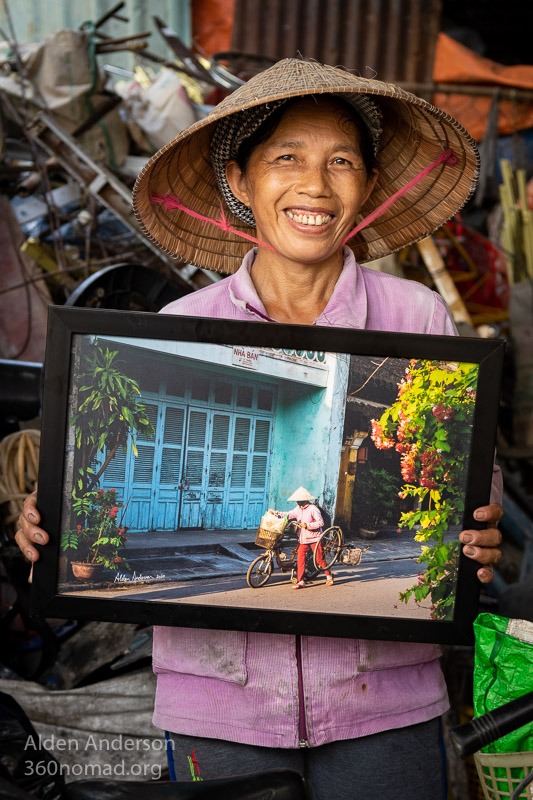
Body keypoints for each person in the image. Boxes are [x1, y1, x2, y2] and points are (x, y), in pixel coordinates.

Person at [16, 59, 503, 799]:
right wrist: (54, 523)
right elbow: (89, 480)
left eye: (341, 161)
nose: (315, 184)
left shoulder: (419, 319)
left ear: (367, 187)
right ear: (239, 183)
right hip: (218, 704)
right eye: (286, 159)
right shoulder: (179, 329)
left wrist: (478, 525)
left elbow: (468, 477)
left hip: (386, 701)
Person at [282, 486, 333, 589]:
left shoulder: (313, 509)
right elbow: (289, 514)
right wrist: (276, 513)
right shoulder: (298, 509)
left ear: (305, 500)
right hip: (303, 538)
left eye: (299, 500)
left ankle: (329, 576)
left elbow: (320, 523)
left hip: (314, 538)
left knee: (319, 559)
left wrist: (307, 525)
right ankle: (301, 581)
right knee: (300, 558)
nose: (297, 502)